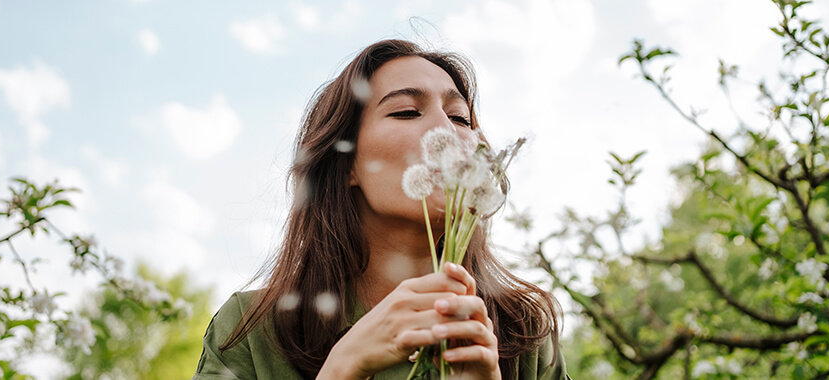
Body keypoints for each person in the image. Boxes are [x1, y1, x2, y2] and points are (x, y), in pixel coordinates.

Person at [193, 39, 569, 380]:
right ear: (346, 164)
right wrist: (342, 368)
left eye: (460, 117)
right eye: (406, 111)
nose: (448, 129)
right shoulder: (251, 332)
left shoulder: (525, 332)